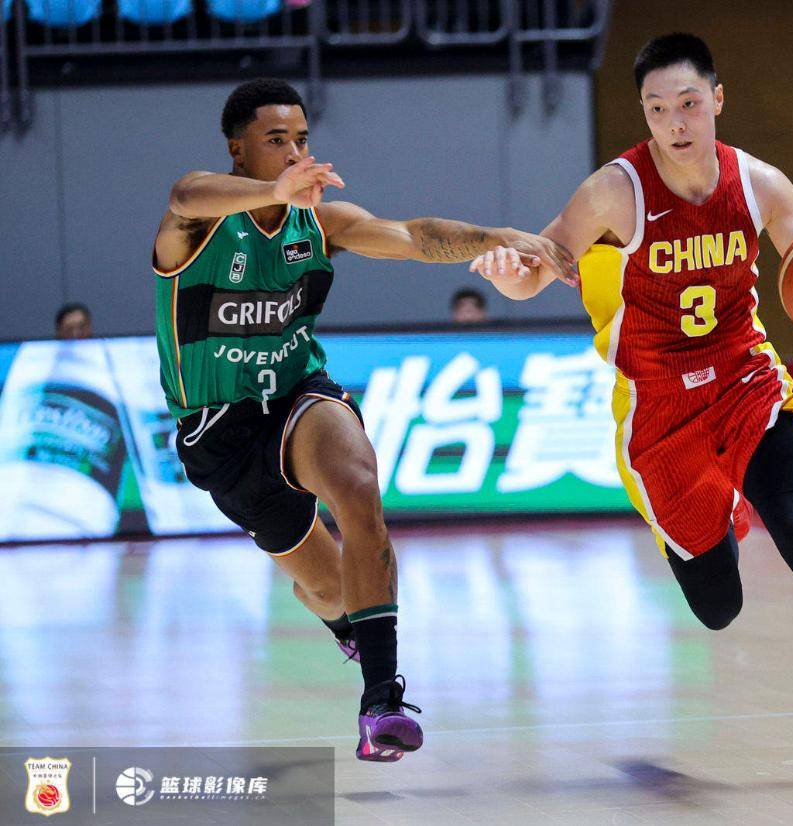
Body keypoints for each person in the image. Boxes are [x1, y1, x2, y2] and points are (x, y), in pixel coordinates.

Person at [470, 33, 793, 787]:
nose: (675, 122)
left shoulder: (760, 184)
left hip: (745, 384)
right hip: (659, 413)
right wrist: (508, 273)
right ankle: (717, 516)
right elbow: (542, 265)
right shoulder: (613, 192)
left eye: (688, 103)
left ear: (717, 99)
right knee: (718, 607)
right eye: (657, 109)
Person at [152, 78, 570, 762]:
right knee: (324, 588)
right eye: (276, 140)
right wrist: (273, 190)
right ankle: (350, 622)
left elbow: (411, 236)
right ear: (237, 149)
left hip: (297, 396)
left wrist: (495, 237)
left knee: (356, 481)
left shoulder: (320, 223)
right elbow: (184, 193)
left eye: (302, 140)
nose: (295, 153)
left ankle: (382, 702)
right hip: (219, 433)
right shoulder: (197, 221)